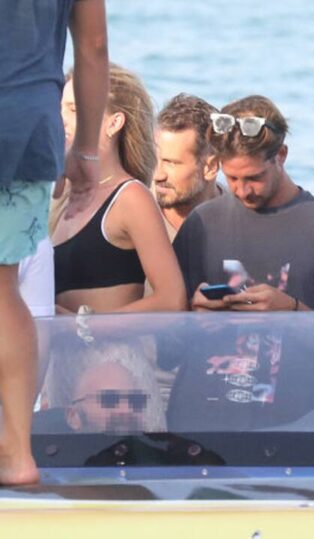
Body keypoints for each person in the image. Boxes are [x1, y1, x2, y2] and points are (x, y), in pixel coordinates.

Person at [0, 0, 108, 484]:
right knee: (3, 287)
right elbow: (93, 46)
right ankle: (16, 451)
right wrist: (86, 148)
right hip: (29, 125)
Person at [173, 94, 314, 312]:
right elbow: (167, 318)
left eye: (254, 178)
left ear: (281, 155)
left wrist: (293, 311)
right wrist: (194, 315)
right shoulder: (202, 224)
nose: (242, 191)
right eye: (232, 178)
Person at [51, 63, 186, 314]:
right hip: (58, 341)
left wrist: (84, 326)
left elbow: (172, 298)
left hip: (108, 342)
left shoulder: (130, 197)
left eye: (74, 109)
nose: (62, 119)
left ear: (114, 123)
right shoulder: (62, 200)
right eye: (60, 109)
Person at [37, 337, 166, 434]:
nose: (126, 410)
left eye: (135, 401)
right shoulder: (47, 462)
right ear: (73, 416)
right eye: (110, 400)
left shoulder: (164, 460)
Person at [152, 93, 222, 241]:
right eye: (154, 159)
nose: (158, 176)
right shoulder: (134, 211)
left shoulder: (241, 219)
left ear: (211, 167)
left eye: (171, 163)